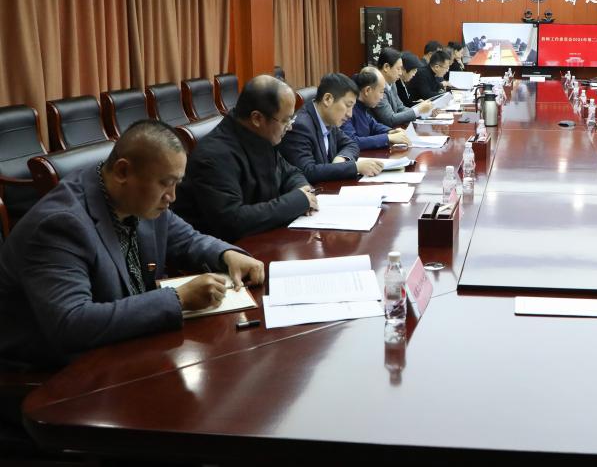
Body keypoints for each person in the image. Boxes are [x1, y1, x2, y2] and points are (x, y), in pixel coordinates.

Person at [0, 121, 265, 369]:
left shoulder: (135, 196)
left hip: (123, 341)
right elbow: (71, 324)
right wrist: (178, 298)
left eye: (177, 183)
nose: (172, 196)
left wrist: (226, 254)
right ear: (123, 171)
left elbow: (186, 239)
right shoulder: (60, 224)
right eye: (166, 183)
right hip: (57, 370)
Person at [174, 75, 317, 242]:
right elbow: (233, 221)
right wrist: (297, 202)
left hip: (263, 239)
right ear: (257, 118)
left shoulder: (261, 135)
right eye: (285, 120)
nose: (290, 127)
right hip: (224, 249)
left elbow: (290, 172)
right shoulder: (214, 156)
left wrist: (302, 190)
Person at [279, 72, 386, 182]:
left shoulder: (329, 119)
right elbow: (307, 171)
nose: (350, 114)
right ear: (327, 99)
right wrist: (355, 167)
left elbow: (351, 144)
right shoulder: (300, 126)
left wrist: (342, 158)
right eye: (348, 105)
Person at [343, 67, 413, 151]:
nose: (382, 97)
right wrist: (388, 138)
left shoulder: (362, 106)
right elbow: (352, 141)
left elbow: (373, 125)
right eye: (381, 92)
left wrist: (390, 131)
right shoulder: (347, 110)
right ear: (367, 90)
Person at [370, 48, 433, 127]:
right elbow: (390, 119)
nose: (400, 73)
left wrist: (423, 111)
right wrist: (418, 110)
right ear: (386, 67)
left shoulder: (392, 83)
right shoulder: (375, 86)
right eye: (398, 69)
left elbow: (400, 108)